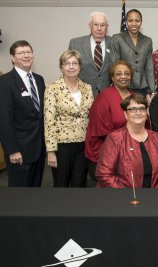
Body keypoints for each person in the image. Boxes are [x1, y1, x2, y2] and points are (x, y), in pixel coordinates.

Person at [96, 94, 158, 188]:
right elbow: (104, 174)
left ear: (146, 113)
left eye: (142, 108)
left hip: (155, 197)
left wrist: (156, 192)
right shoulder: (115, 138)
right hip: (122, 198)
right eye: (132, 109)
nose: (138, 112)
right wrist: (129, 196)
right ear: (125, 114)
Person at [44, 50, 94, 187]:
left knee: (80, 182)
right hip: (62, 146)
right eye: (67, 63)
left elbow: (91, 115)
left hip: (83, 144)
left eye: (74, 63)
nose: (71, 67)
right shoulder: (52, 88)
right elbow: (49, 121)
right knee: (61, 184)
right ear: (61, 67)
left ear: (80, 66)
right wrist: (51, 151)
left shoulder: (87, 88)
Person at [0, 40, 46, 187]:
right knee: (19, 195)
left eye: (28, 52)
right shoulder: (5, 82)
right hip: (19, 151)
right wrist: (12, 150)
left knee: (35, 190)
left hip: (38, 150)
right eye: (21, 53)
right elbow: (4, 120)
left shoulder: (39, 80)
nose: (26, 56)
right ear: (13, 58)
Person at [85, 60, 136, 180]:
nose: (123, 76)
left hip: (131, 152)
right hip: (106, 154)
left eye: (127, 73)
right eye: (118, 74)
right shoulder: (103, 97)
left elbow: (145, 125)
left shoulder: (134, 97)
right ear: (112, 78)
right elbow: (102, 132)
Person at [111, 9, 155, 102]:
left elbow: (149, 66)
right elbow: (115, 65)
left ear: (141, 22)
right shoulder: (117, 38)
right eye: (130, 21)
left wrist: (151, 90)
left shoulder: (147, 41)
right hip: (124, 86)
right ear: (126, 22)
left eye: (137, 20)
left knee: (140, 114)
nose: (134, 23)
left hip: (142, 88)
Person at [68, 11, 112, 97]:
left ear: (107, 27)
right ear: (90, 26)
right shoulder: (75, 44)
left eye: (103, 25)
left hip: (107, 96)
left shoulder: (114, 43)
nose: (99, 28)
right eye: (96, 25)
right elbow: (69, 71)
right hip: (82, 95)